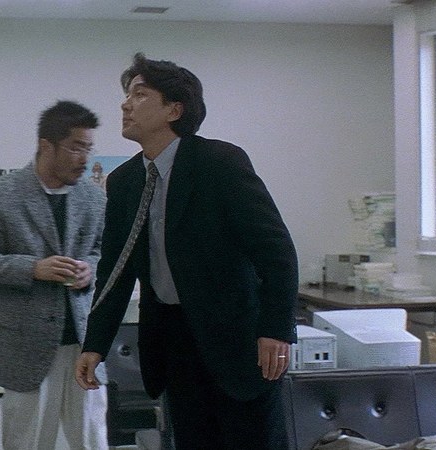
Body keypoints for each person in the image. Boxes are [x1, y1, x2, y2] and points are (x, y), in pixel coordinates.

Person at [75, 53, 299, 449]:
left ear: (174, 110)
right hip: (173, 340)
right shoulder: (124, 181)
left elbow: (277, 253)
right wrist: (95, 343)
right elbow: (115, 269)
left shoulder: (219, 163)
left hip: (237, 340)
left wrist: (275, 330)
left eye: (140, 95)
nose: (126, 105)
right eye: (127, 95)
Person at [0, 100, 108, 450]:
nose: (84, 158)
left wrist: (91, 269)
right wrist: (33, 268)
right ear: (46, 145)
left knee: (93, 440)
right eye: (75, 147)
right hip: (24, 346)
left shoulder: (93, 199)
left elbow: (103, 252)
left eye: (88, 148)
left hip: (83, 342)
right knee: (27, 442)